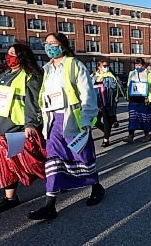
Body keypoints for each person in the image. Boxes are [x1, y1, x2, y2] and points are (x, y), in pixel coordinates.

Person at [28, 33, 104, 220]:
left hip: (72, 119)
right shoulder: (46, 69)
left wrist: (86, 120)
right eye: (46, 43)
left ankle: (96, 186)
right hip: (53, 120)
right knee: (53, 159)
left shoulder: (74, 65)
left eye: (52, 43)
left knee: (83, 155)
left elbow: (87, 95)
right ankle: (49, 205)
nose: (48, 47)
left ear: (62, 45)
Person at [0, 43, 46, 215]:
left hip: (17, 130)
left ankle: (60, 178)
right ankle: (10, 198)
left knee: (32, 164)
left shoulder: (31, 75)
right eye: (8, 53)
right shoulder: (2, 75)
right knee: (5, 168)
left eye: (13, 53)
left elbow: (33, 102)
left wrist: (31, 124)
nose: (9, 56)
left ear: (22, 56)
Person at [123, 58, 151, 143]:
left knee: (145, 118)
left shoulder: (148, 74)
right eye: (136, 65)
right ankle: (130, 136)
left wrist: (149, 98)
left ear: (143, 65)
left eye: (139, 65)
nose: (137, 67)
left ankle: (146, 135)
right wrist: (128, 96)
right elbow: (129, 85)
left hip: (144, 100)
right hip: (133, 99)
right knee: (132, 118)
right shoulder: (132, 73)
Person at [94, 60, 119, 147]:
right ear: (99, 67)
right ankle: (107, 131)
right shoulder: (94, 77)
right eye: (104, 66)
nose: (106, 67)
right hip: (96, 103)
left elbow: (114, 88)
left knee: (106, 121)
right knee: (96, 122)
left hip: (107, 102)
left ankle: (106, 139)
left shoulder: (110, 76)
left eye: (107, 65)